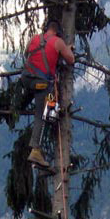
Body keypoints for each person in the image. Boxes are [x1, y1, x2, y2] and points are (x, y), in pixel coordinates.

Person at [19, 19, 76, 169]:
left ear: (46, 29)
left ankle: (21, 104)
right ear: (58, 32)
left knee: (42, 95)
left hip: (26, 79)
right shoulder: (58, 41)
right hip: (42, 84)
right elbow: (71, 59)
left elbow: (28, 54)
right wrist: (65, 49)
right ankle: (35, 150)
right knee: (42, 115)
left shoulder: (34, 39)